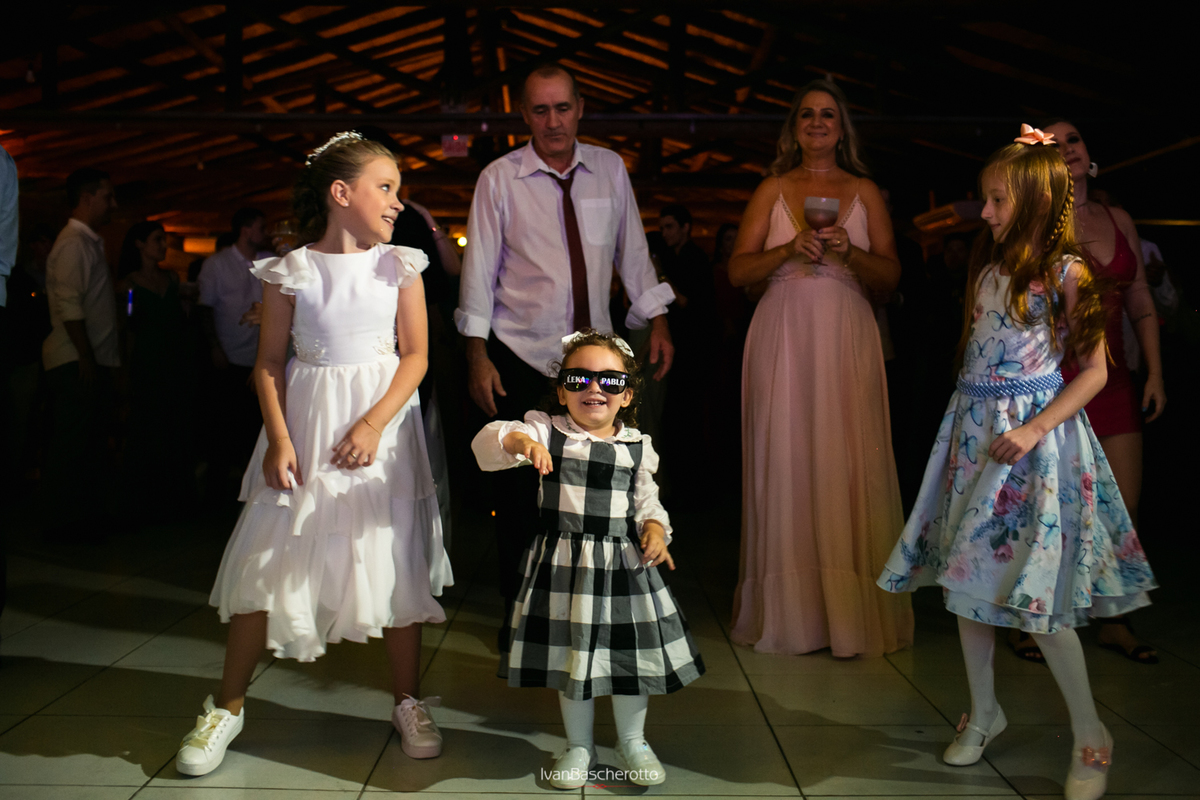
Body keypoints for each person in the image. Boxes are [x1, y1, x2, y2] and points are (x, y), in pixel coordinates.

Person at [878, 126, 1156, 800]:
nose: (986, 212)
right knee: (967, 583)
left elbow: (1094, 371)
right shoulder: (990, 269)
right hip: (975, 439)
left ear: (1034, 201)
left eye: (997, 200)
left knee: (1038, 600)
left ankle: (1091, 734)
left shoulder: (1069, 272)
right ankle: (984, 712)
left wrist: (1033, 427)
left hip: (1032, 451)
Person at [175, 132, 452, 776]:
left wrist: (373, 423)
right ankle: (226, 708)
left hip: (381, 432)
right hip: (304, 428)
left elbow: (415, 356)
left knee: (393, 559)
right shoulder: (290, 269)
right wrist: (278, 438)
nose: (397, 202)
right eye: (386, 188)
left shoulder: (400, 265)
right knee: (264, 560)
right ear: (341, 193)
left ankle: (408, 702)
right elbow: (270, 363)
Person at [455, 64, 675, 650]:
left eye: (562, 108)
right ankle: (520, 617)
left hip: (595, 360)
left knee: (598, 486)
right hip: (520, 353)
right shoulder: (499, 178)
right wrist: (477, 355)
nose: (553, 121)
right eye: (540, 110)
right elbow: (478, 273)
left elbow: (633, 253)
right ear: (524, 115)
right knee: (520, 491)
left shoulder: (609, 168)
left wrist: (657, 320)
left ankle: (591, 612)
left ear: (580, 108)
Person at [727, 79, 913, 657]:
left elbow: (891, 277)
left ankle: (850, 616)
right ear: (794, 127)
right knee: (786, 454)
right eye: (806, 114)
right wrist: (788, 249)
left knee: (847, 457)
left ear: (841, 127)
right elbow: (738, 272)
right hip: (783, 335)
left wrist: (848, 252)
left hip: (845, 335)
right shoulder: (772, 188)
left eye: (827, 114)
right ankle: (793, 614)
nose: (816, 122)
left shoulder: (864, 190)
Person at [471, 329, 704, 790]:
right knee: (572, 657)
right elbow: (489, 442)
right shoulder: (547, 430)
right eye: (578, 379)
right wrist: (521, 443)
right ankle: (579, 745)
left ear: (627, 395)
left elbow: (648, 503)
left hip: (623, 570)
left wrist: (655, 531)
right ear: (562, 391)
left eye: (609, 381)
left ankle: (632, 741)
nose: (594, 388)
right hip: (564, 569)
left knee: (628, 658)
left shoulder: (637, 446)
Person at [1003, 120, 1165, 666]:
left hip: (1113, 378)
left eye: (1073, 139)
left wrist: (1155, 372)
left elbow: (1140, 298)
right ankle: (1030, 616)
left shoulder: (1118, 218)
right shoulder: (1037, 220)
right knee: (1047, 506)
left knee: (1125, 504)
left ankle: (1113, 619)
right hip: (1054, 378)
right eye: (1052, 143)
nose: (1067, 148)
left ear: (1088, 151)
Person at [42, 167, 121, 539]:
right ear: (87, 198)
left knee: (88, 442)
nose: (113, 204)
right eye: (107, 196)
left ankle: (82, 517)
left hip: (89, 358)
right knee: (73, 443)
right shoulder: (74, 243)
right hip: (76, 360)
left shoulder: (88, 242)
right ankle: (62, 521)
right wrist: (86, 356)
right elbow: (69, 305)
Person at [117, 220, 197, 518]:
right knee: (147, 430)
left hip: (174, 362)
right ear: (140, 244)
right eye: (157, 240)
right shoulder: (129, 285)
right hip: (147, 363)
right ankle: (144, 503)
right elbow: (127, 329)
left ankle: (174, 501)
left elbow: (181, 321)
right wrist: (125, 371)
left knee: (174, 428)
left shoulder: (173, 279)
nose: (163, 246)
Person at [197, 207, 271, 502]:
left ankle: (252, 493)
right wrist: (215, 347)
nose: (265, 233)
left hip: (260, 359)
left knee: (254, 429)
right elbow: (205, 309)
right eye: (261, 227)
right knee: (223, 428)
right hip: (228, 358)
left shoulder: (269, 261)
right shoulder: (217, 264)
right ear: (245, 229)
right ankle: (215, 495)